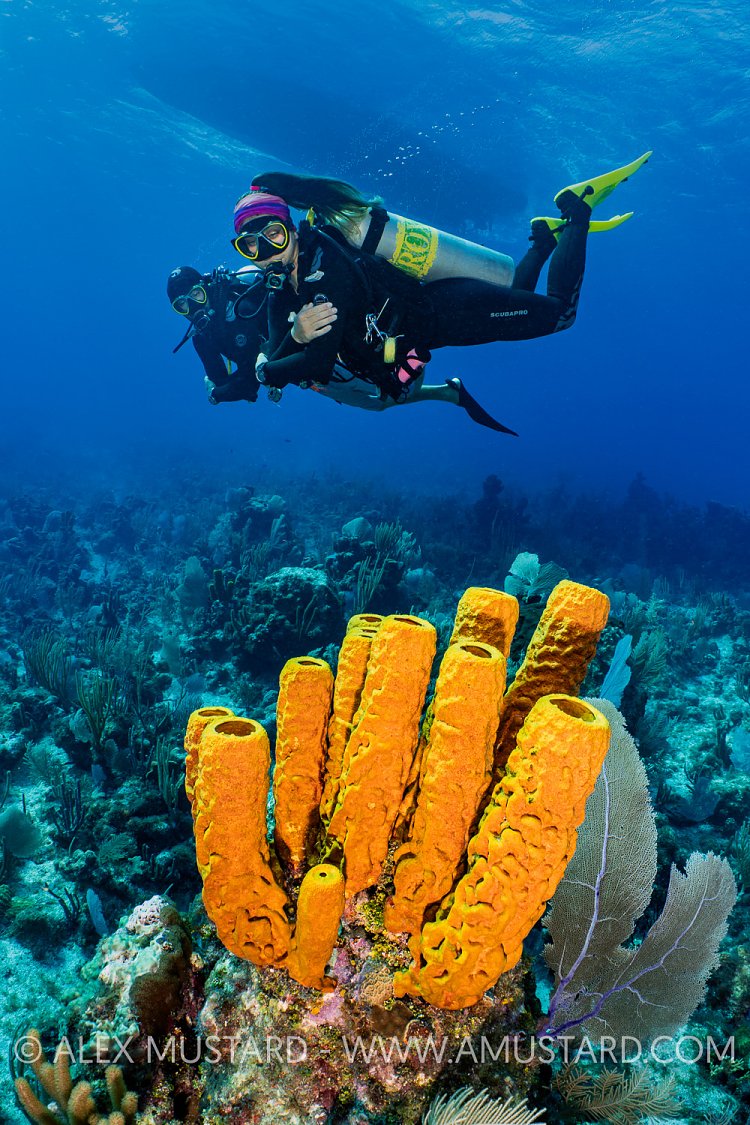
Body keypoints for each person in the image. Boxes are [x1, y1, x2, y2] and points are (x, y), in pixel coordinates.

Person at [230, 155, 650, 410]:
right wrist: (292, 339)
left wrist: (269, 371)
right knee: (518, 299)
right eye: (251, 247)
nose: (266, 253)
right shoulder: (282, 284)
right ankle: (543, 238)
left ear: (292, 229)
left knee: (561, 314)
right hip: (437, 323)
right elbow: (272, 347)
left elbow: (313, 364)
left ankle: (577, 209)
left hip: (450, 313)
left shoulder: (323, 275)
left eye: (274, 236)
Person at [168, 262, 513, 431]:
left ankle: (416, 346)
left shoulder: (248, 296)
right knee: (379, 406)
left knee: (393, 394)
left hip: (320, 350)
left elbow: (289, 310)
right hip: (298, 373)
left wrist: (225, 390)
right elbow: (238, 384)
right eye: (182, 305)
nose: (194, 308)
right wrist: (222, 391)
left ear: (206, 285)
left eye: (195, 295)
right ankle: (451, 392)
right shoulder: (202, 337)